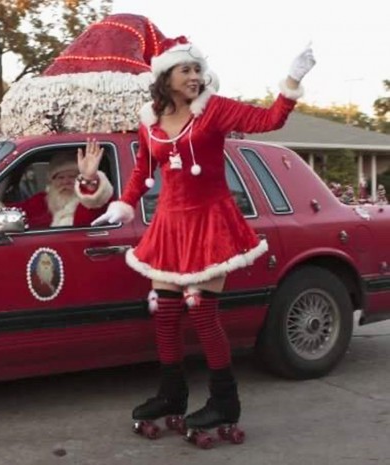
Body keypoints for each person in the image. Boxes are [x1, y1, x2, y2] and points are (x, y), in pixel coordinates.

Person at [93, 36, 316, 440]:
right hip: (169, 225)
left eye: (198, 70)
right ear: (166, 76)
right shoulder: (151, 120)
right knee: (164, 311)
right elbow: (143, 172)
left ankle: (224, 402)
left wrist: (291, 81)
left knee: (200, 310)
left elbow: (269, 121)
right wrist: (122, 204)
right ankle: (171, 394)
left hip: (210, 222)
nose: (196, 77)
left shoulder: (213, 109)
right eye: (187, 70)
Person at [0, 139, 113, 231]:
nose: (66, 181)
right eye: (60, 177)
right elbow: (18, 213)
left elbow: (92, 203)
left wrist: (89, 178)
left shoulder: (90, 202)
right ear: (52, 181)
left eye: (72, 176)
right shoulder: (43, 200)